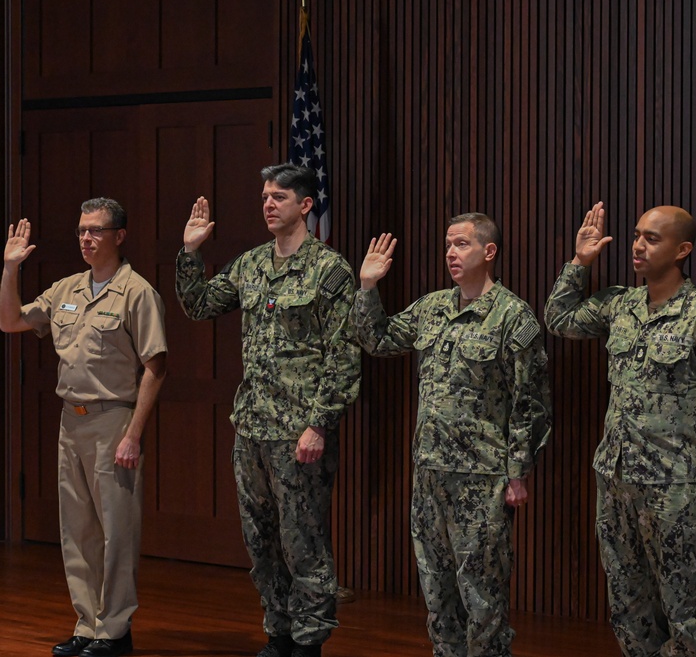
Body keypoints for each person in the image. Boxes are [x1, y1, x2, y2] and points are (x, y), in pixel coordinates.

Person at [545, 202, 696, 657]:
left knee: (684, 613)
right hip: (616, 479)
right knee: (628, 607)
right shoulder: (620, 304)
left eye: (652, 238)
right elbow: (559, 320)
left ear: (683, 250)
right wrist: (580, 263)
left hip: (676, 485)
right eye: (637, 235)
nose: (638, 245)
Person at [175, 164, 360, 657]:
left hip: (299, 429)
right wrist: (192, 252)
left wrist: (319, 424)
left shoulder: (330, 270)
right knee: (260, 539)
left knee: (304, 539)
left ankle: (309, 638)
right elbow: (198, 306)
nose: (268, 205)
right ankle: (277, 630)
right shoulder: (252, 263)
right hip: (253, 425)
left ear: (305, 205)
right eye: (264, 197)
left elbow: (343, 355)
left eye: (279, 196)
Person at [349, 213, 551, 657]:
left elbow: (530, 402)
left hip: (481, 478)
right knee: (437, 592)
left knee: (482, 594)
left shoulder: (512, 317)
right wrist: (367, 288)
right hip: (430, 474)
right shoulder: (432, 307)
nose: (451, 254)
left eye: (461, 244)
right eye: (447, 245)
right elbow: (378, 340)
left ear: (489, 252)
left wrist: (518, 473)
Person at [1, 199, 168, 657]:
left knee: (117, 531)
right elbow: (11, 320)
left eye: (96, 230)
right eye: (80, 231)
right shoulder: (66, 288)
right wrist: (10, 269)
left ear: (120, 235)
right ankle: (87, 624)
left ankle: (114, 630)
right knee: (77, 532)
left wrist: (133, 434)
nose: (86, 239)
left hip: (113, 419)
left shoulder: (136, 292)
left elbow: (156, 367)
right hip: (69, 422)